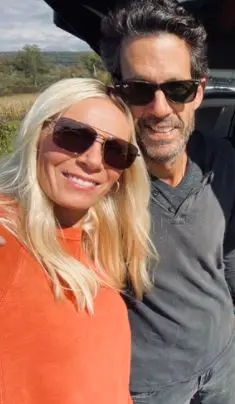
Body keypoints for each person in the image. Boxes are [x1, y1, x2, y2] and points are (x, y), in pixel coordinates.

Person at [99, 1, 235, 403]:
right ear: (116, 93)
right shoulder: (99, 179)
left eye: (177, 89)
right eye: (139, 89)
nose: (160, 110)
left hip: (224, 359)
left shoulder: (221, 158)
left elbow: (231, 246)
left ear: (198, 92)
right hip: (146, 385)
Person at [0, 78, 157, 403]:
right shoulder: (9, 238)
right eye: (73, 135)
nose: (93, 160)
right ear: (38, 134)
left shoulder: (98, 240)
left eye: (115, 151)